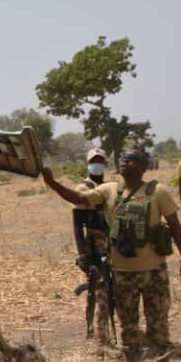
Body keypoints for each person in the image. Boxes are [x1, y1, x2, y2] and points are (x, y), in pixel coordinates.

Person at [42, 148, 181, 362]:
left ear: (144, 166)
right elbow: (79, 200)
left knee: (160, 325)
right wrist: (52, 183)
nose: (125, 162)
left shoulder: (158, 192)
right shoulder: (109, 190)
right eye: (122, 159)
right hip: (122, 273)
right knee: (128, 326)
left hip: (154, 271)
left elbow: (175, 226)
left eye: (132, 159)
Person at [72, 148, 112, 350]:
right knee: (100, 291)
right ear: (88, 163)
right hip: (94, 246)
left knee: (111, 290)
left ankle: (105, 335)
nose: (97, 164)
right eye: (93, 161)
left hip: (112, 244)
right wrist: (82, 254)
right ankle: (100, 338)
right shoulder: (82, 188)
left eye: (100, 160)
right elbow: (78, 225)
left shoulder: (109, 187)